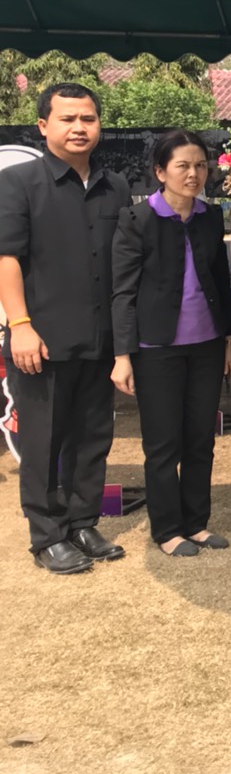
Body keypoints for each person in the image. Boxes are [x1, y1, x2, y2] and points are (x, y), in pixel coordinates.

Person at [0, 83, 130, 574]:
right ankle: (47, 535)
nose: (79, 128)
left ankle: (82, 521)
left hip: (100, 337)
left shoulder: (114, 186)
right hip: (41, 339)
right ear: (43, 126)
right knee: (43, 441)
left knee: (93, 436)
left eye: (89, 119)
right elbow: (6, 258)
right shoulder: (18, 183)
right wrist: (21, 325)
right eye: (68, 118)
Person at [110, 130, 231, 557]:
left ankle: (196, 523)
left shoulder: (210, 216)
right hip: (156, 349)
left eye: (201, 165)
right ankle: (167, 530)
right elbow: (123, 292)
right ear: (160, 171)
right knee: (163, 443)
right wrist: (122, 355)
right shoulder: (137, 220)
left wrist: (228, 339)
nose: (194, 173)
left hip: (206, 343)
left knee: (201, 437)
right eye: (182, 166)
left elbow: (222, 281)